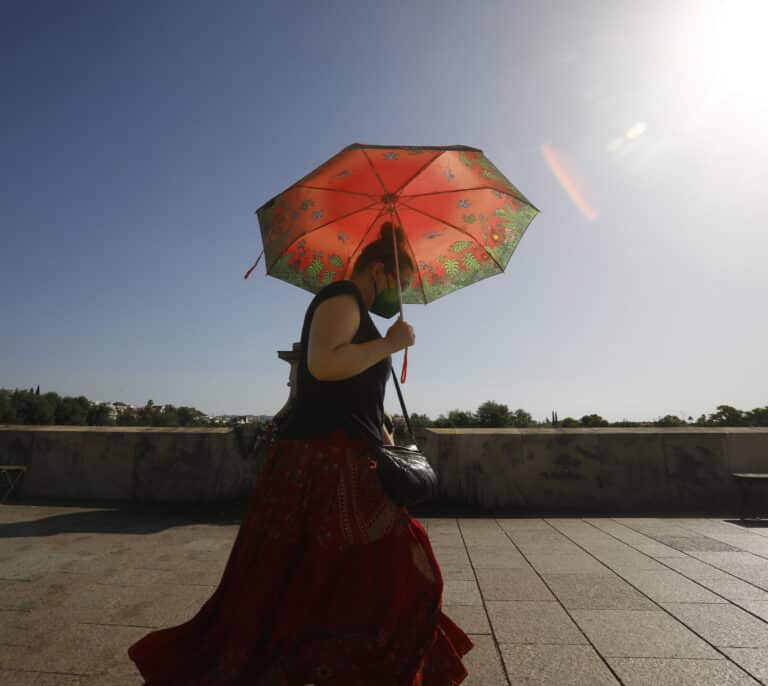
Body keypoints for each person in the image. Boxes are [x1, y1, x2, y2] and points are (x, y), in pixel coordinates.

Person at [127, 222, 474, 685]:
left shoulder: (359, 310)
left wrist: (382, 422)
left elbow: (350, 386)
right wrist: (390, 344)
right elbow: (324, 364)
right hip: (324, 462)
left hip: (346, 457)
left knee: (318, 576)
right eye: (402, 282)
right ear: (378, 271)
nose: (403, 293)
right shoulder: (341, 299)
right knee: (383, 570)